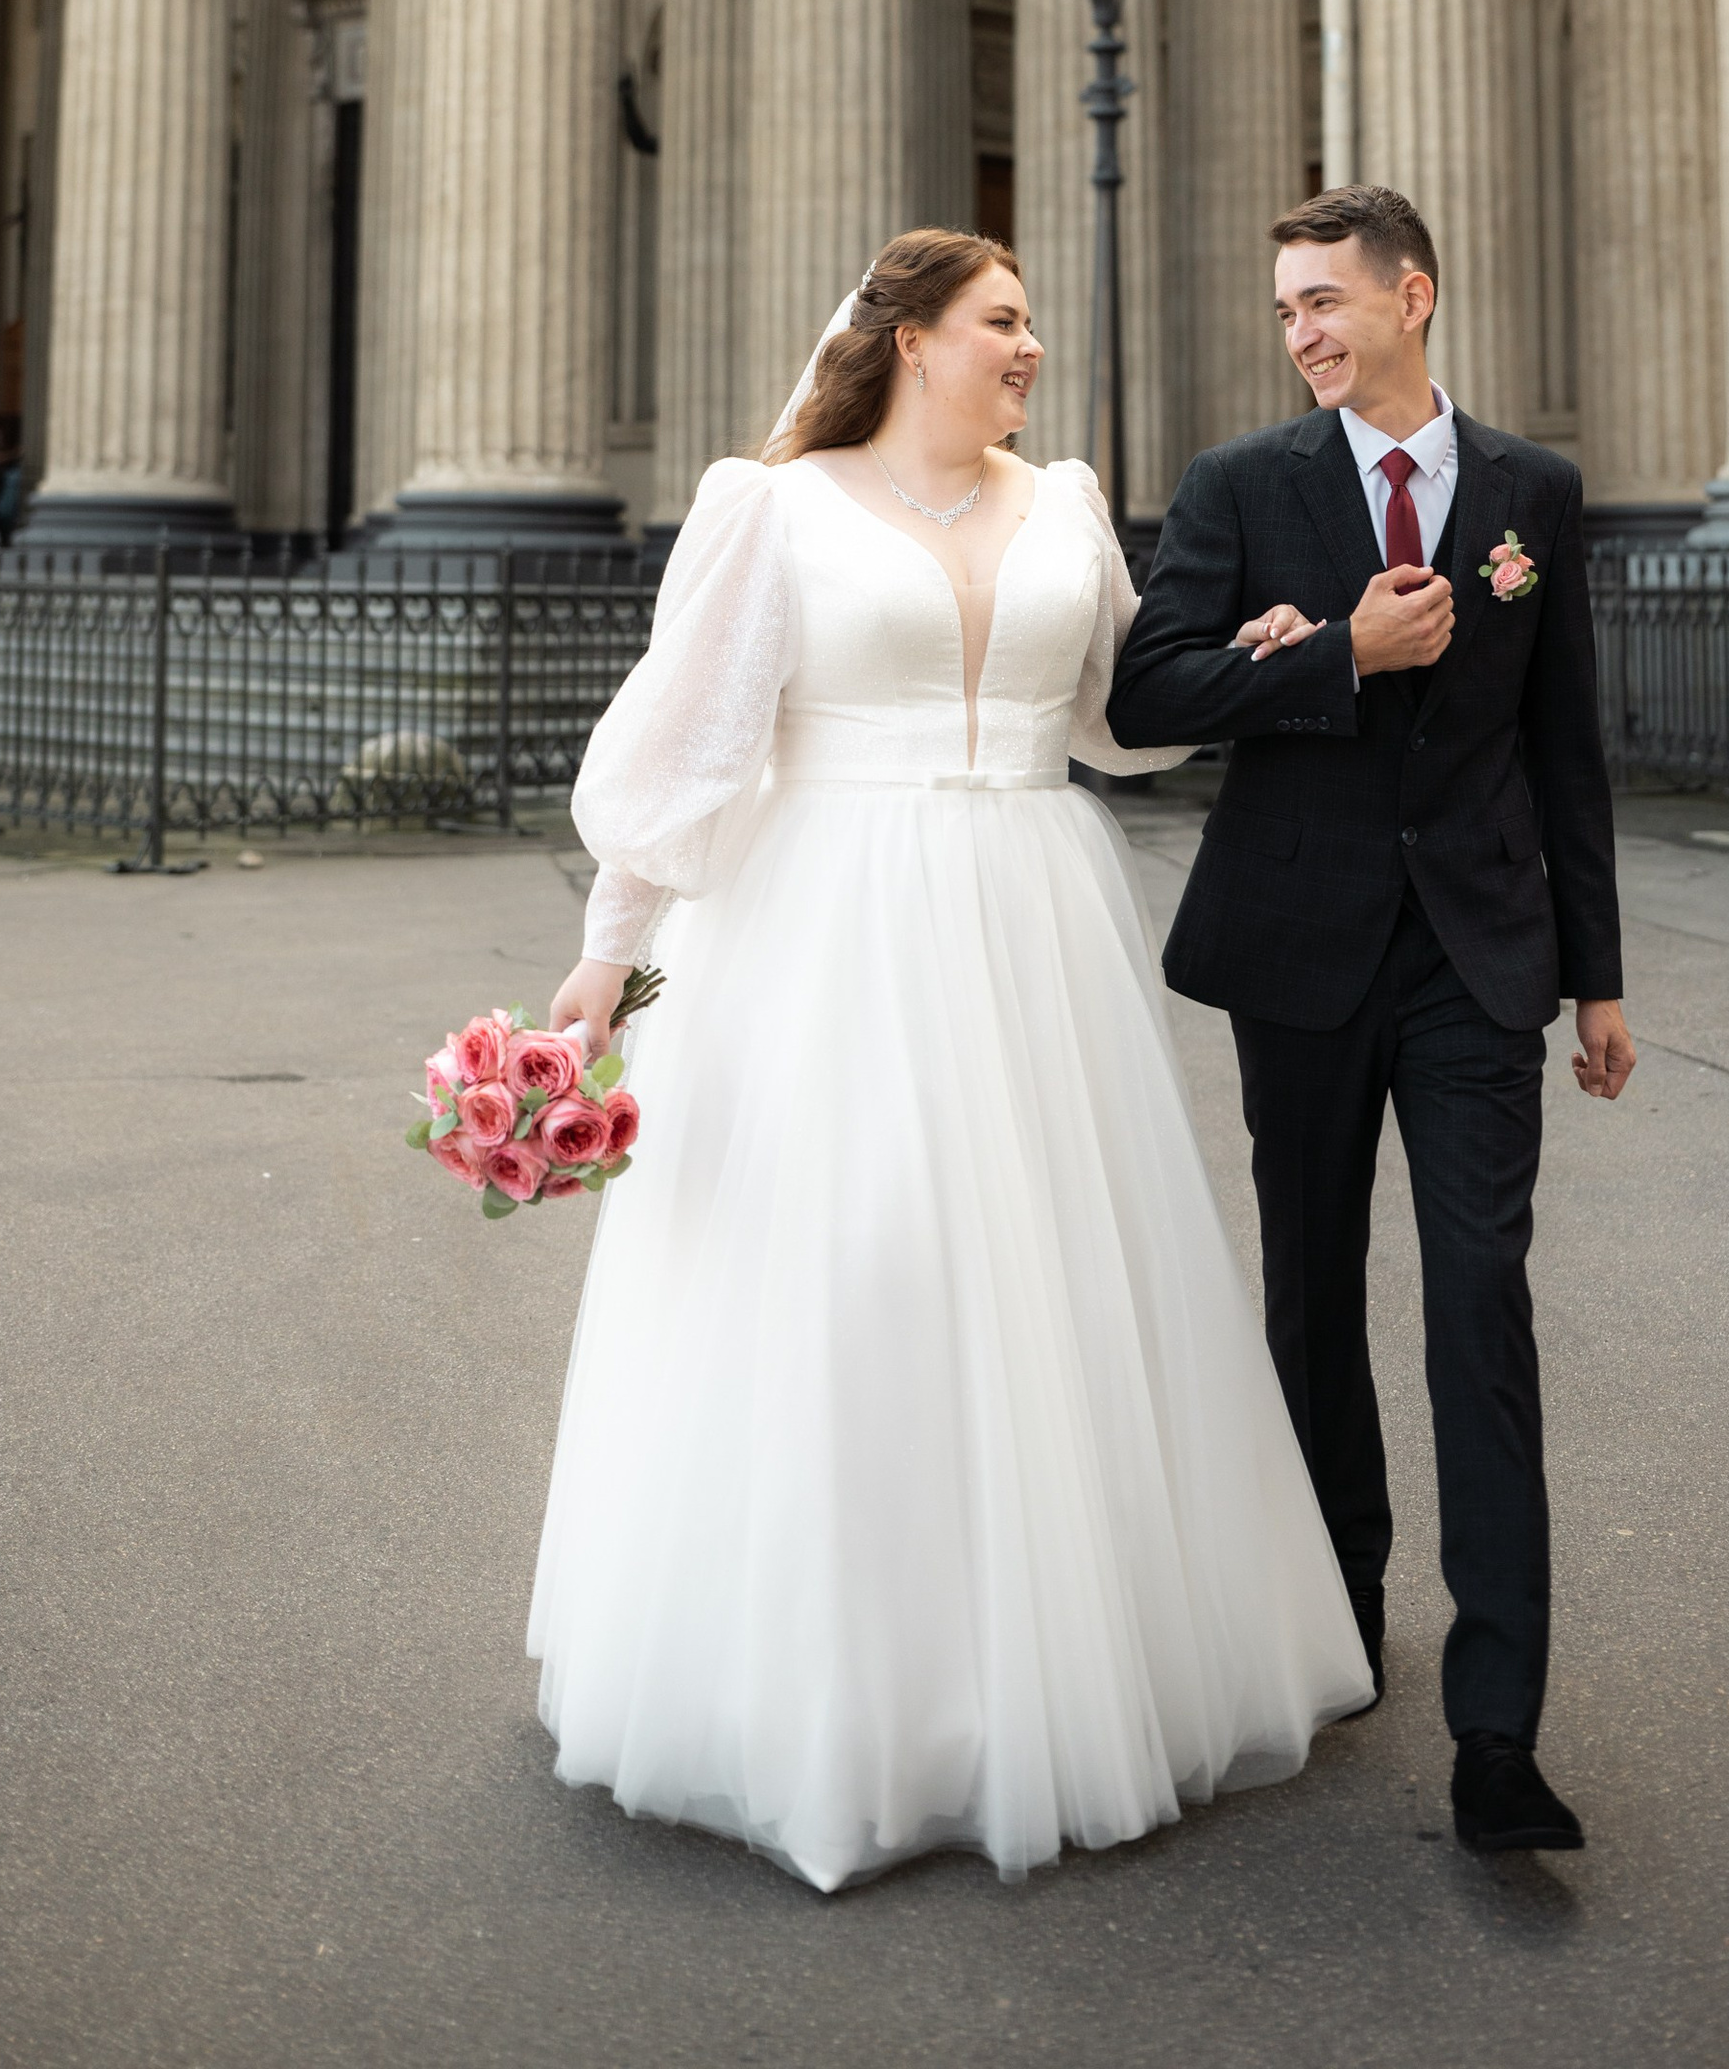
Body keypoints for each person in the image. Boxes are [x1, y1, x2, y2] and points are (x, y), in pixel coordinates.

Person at [531, 228, 1372, 1891]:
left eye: (1032, 321)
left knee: (1049, 1292)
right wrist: (602, 964)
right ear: (911, 338)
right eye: (1002, 320)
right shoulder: (769, 509)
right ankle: (856, 1705)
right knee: (864, 1292)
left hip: (1035, 925)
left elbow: (1117, 721)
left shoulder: (1061, 504)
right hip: (828, 935)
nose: (1029, 346)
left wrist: (1264, 662)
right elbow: (688, 748)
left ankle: (1050, 1681)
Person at [1108, 184, 1634, 1862]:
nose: (1305, 331)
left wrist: (1597, 975)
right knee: (1311, 1291)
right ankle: (1338, 1612)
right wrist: (1335, 650)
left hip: (1480, 958)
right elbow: (1147, 694)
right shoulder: (1239, 488)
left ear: (1417, 295)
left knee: (1481, 1301)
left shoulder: (1532, 493)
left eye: (1328, 300)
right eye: (1286, 311)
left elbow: (1568, 747)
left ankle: (1500, 1731)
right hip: (1304, 949)